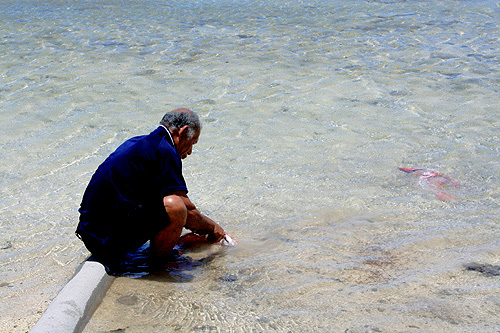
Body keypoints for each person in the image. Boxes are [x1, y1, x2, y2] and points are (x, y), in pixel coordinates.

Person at [76, 108, 226, 272]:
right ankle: (160, 266)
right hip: (105, 243)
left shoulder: (140, 143)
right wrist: (214, 229)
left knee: (168, 203)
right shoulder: (165, 151)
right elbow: (187, 210)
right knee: (175, 206)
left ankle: (166, 252)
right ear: (183, 132)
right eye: (193, 143)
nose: (190, 151)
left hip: (92, 234)